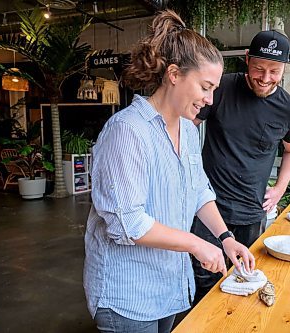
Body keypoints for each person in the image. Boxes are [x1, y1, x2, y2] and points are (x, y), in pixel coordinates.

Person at [83, 10, 255, 333]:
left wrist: (225, 238)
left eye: (214, 89)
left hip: (168, 288)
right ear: (174, 74)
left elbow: (199, 190)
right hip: (128, 296)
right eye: (205, 87)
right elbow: (129, 223)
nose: (210, 99)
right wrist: (194, 243)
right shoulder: (128, 131)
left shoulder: (189, 130)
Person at [191, 29, 290, 304]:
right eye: (259, 69)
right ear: (246, 60)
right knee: (204, 276)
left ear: (284, 69)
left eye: (274, 71)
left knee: (245, 276)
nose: (265, 78)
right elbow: (187, 125)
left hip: (252, 210)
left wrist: (280, 188)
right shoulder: (222, 89)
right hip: (208, 207)